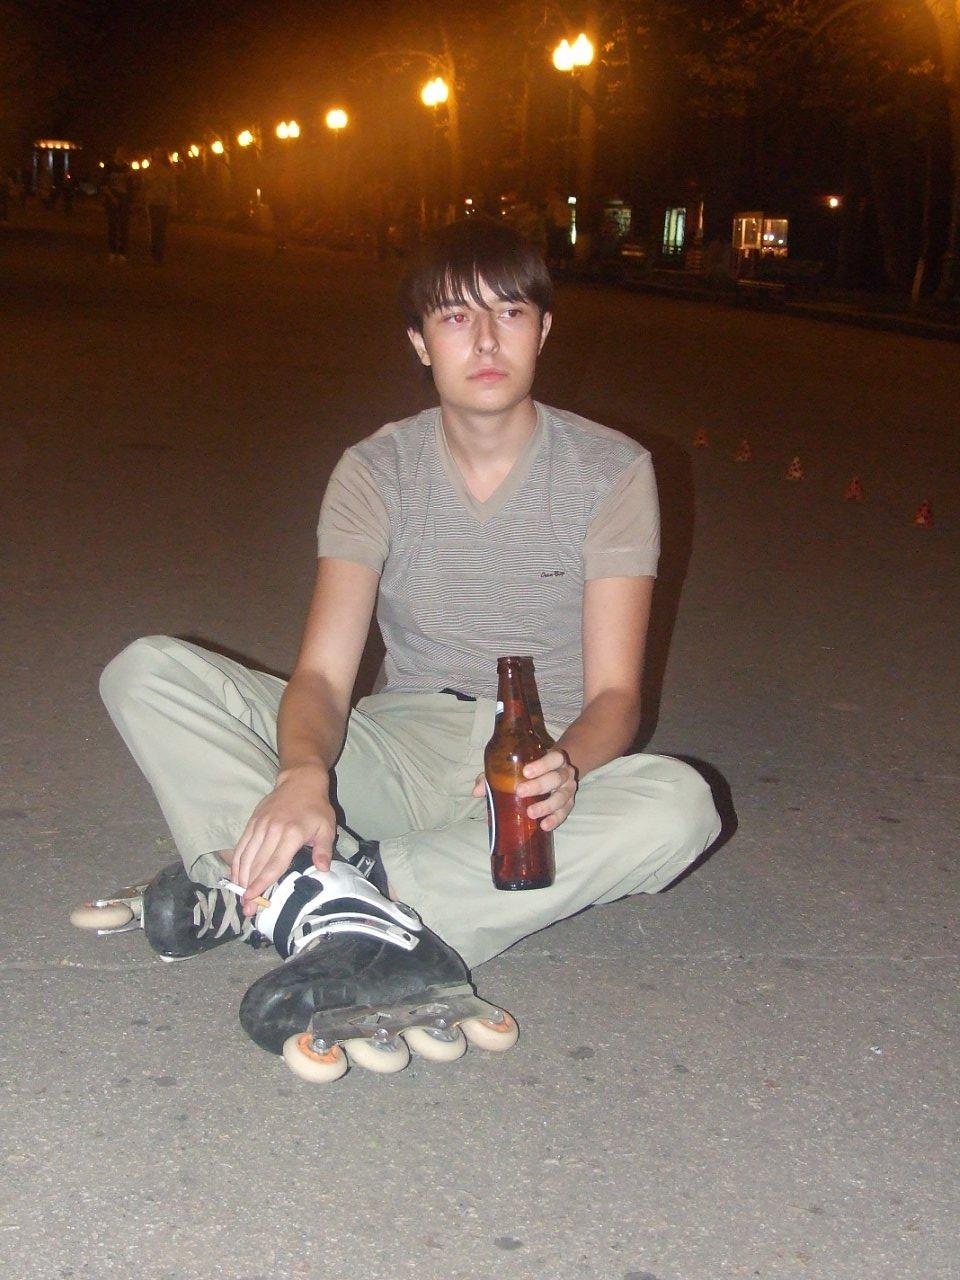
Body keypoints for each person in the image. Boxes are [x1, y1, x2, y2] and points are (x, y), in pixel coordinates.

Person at [96, 218, 719, 1056]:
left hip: (535, 774)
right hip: (398, 748)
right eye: (456, 317)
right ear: (421, 343)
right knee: (148, 672)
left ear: (543, 331)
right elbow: (323, 678)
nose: (486, 340)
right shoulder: (376, 470)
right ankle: (325, 888)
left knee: (680, 806)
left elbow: (615, 695)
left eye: (510, 312)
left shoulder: (610, 471)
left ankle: (317, 892)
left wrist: (567, 765)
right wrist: (302, 774)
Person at [142, 150, 176, 264]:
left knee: (161, 229)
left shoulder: (168, 171)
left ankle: (159, 254)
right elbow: (145, 184)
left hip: (163, 202)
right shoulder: (149, 170)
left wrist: (172, 200)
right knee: (154, 228)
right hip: (152, 202)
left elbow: (172, 187)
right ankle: (154, 254)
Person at [101, 150, 133, 262]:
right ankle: (112, 251)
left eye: (123, 154)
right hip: (112, 198)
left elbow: (131, 186)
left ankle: (122, 252)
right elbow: (104, 184)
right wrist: (112, 197)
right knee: (112, 225)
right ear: (115, 155)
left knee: (124, 226)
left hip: (124, 199)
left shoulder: (127, 167)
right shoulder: (109, 167)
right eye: (119, 153)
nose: (121, 155)